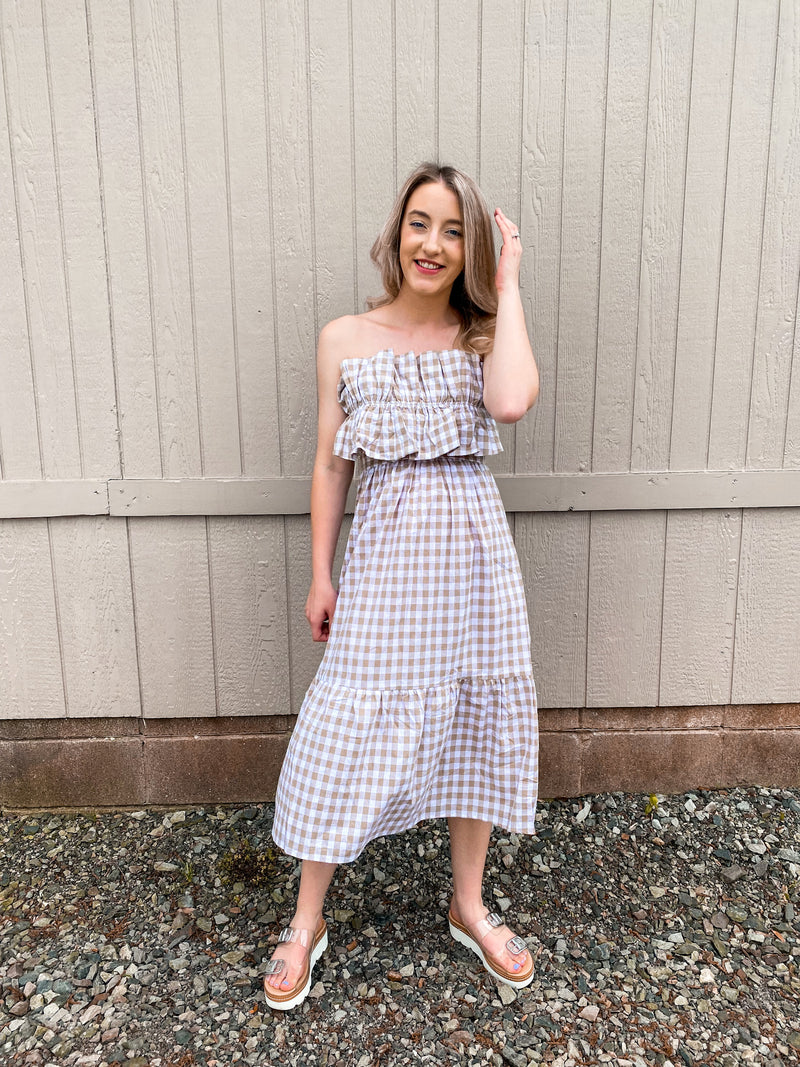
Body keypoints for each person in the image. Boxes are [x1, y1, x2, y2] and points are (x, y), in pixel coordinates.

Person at [264, 162, 540, 1011]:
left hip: (473, 565)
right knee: (346, 723)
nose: (433, 244)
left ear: (472, 249)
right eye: (421, 223)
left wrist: (509, 283)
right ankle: (306, 918)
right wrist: (321, 573)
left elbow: (513, 401)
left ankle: (469, 904)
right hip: (384, 566)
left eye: (455, 231)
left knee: (474, 717)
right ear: (397, 231)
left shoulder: (481, 336)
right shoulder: (345, 338)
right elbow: (329, 464)